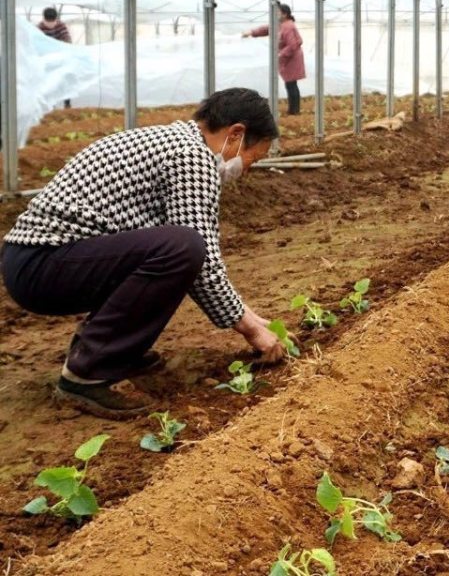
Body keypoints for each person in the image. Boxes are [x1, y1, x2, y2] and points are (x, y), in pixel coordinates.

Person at [1, 88, 287, 418]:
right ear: (236, 133)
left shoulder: (175, 142)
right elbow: (202, 255)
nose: (247, 168)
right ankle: (86, 374)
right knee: (182, 249)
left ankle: (115, 351)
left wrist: (246, 314)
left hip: (38, 260)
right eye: (256, 157)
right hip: (41, 265)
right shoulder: (191, 157)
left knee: (174, 253)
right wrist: (250, 328)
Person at [244, 3, 306, 115]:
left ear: (285, 14)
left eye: (278, 12)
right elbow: (267, 29)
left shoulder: (288, 26)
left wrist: (280, 54)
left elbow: (292, 45)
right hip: (287, 59)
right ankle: (293, 110)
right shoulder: (280, 24)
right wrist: (252, 32)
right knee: (290, 84)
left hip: (291, 60)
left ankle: (294, 111)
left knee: (291, 84)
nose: (276, 14)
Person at [37, 7, 73, 108]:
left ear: (55, 19)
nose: (50, 23)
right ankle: (50, 104)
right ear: (44, 18)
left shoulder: (60, 26)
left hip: (60, 57)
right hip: (47, 59)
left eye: (52, 21)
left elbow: (67, 39)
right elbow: (36, 43)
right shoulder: (39, 28)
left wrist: (61, 47)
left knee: (65, 80)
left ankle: (67, 103)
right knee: (49, 81)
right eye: (48, 21)